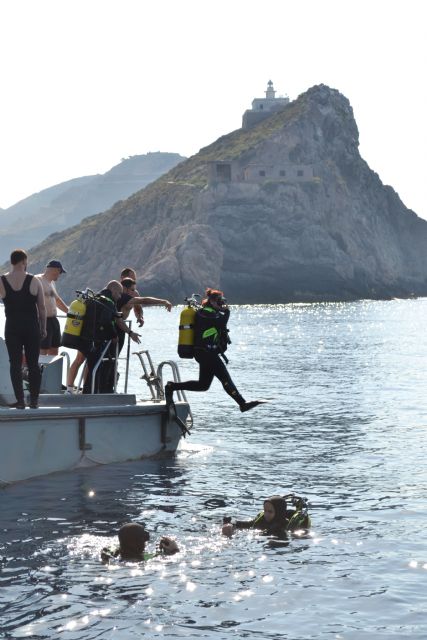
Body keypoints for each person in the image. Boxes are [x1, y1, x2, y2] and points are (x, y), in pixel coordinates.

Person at [165, 288, 262, 412]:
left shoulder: (211, 313)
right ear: (212, 301)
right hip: (206, 353)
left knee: (203, 385)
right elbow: (221, 322)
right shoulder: (204, 313)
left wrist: (221, 309)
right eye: (219, 301)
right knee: (225, 378)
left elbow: (219, 324)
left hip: (206, 353)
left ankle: (171, 386)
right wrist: (226, 311)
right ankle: (242, 403)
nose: (222, 304)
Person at [0, 249, 47, 409]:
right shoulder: (34, 280)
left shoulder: (2, 280)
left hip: (12, 327)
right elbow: (41, 308)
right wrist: (44, 328)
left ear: (12, 262)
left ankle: (20, 401)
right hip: (31, 327)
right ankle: (34, 401)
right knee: (33, 364)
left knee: (15, 365)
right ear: (23, 262)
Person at [80, 280, 140, 393]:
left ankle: (90, 391)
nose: (119, 297)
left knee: (93, 365)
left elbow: (116, 320)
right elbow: (107, 321)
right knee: (99, 366)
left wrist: (130, 333)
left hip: (87, 339)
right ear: (113, 291)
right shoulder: (108, 302)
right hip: (98, 340)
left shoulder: (94, 299)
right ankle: (99, 392)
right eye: (119, 294)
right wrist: (114, 336)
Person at [117, 277, 172, 352]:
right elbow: (144, 300)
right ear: (124, 288)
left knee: (113, 357)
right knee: (111, 357)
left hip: (120, 328)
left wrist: (139, 316)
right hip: (116, 328)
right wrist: (164, 301)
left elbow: (138, 307)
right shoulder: (123, 297)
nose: (134, 292)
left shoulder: (126, 297)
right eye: (132, 290)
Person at [221, 495, 311, 538]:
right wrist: (230, 524)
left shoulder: (282, 525)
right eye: (265, 510)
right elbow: (244, 524)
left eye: (270, 512)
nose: (266, 514)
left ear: (279, 513)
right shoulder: (262, 519)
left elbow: (265, 534)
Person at [101, 522, 179, 562]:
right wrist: (175, 550)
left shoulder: (112, 554)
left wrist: (159, 549)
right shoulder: (144, 560)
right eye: (144, 538)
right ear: (139, 543)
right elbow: (164, 558)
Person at [36, 260, 68, 356]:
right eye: (59, 272)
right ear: (54, 270)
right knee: (42, 350)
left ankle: (51, 370)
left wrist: (69, 312)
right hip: (42, 321)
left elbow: (57, 300)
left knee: (54, 350)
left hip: (53, 321)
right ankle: (38, 370)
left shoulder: (52, 283)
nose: (59, 275)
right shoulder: (37, 280)